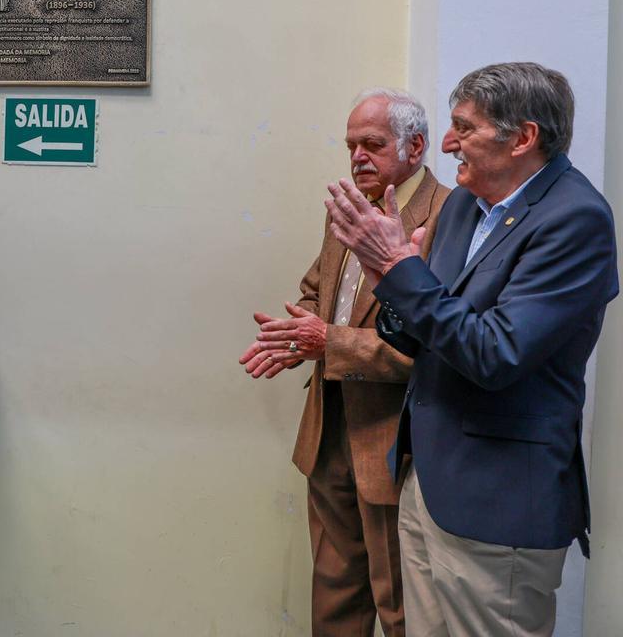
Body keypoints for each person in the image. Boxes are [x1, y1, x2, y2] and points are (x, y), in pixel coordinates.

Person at [326, 62, 618, 636]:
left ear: (523, 138)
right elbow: (421, 331)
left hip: (497, 498)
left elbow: (495, 354)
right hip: (428, 484)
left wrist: (398, 269)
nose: (449, 143)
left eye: (465, 127)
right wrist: (386, 277)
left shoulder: (575, 219)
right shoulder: (465, 203)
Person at [240, 89, 449, 636]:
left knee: (400, 606)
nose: (358, 156)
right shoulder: (350, 209)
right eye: (351, 144)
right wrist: (292, 337)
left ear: (416, 146)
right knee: (334, 602)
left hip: (394, 445)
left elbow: (431, 346)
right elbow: (317, 293)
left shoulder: (448, 217)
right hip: (329, 431)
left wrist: (326, 341)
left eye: (372, 144)